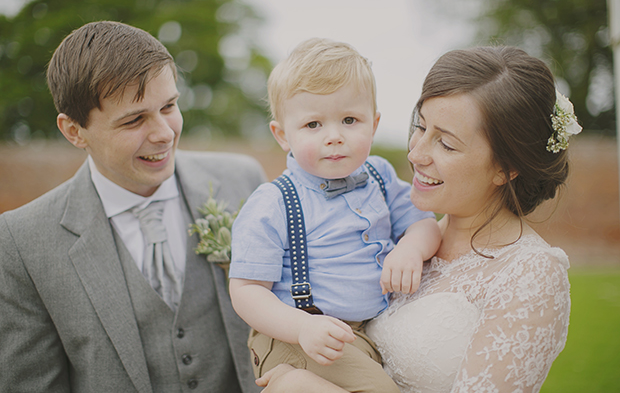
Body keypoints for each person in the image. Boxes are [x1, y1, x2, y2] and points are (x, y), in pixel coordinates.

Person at [258, 45, 574, 393]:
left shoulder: (531, 274)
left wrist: (306, 387)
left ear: (505, 167)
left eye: (446, 145)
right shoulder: (398, 233)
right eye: (420, 127)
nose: (416, 153)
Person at [0, 21, 265, 393]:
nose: (164, 133)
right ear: (74, 131)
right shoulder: (21, 243)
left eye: (169, 106)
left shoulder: (243, 181)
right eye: (135, 119)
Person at [227, 38, 441, 393]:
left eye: (349, 120)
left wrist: (410, 249)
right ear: (283, 135)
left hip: (362, 333)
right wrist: (300, 328)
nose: (334, 137)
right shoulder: (274, 202)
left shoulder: (380, 175)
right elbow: (246, 290)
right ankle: (292, 383)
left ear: (373, 125)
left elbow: (424, 223)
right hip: (299, 336)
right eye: (313, 125)